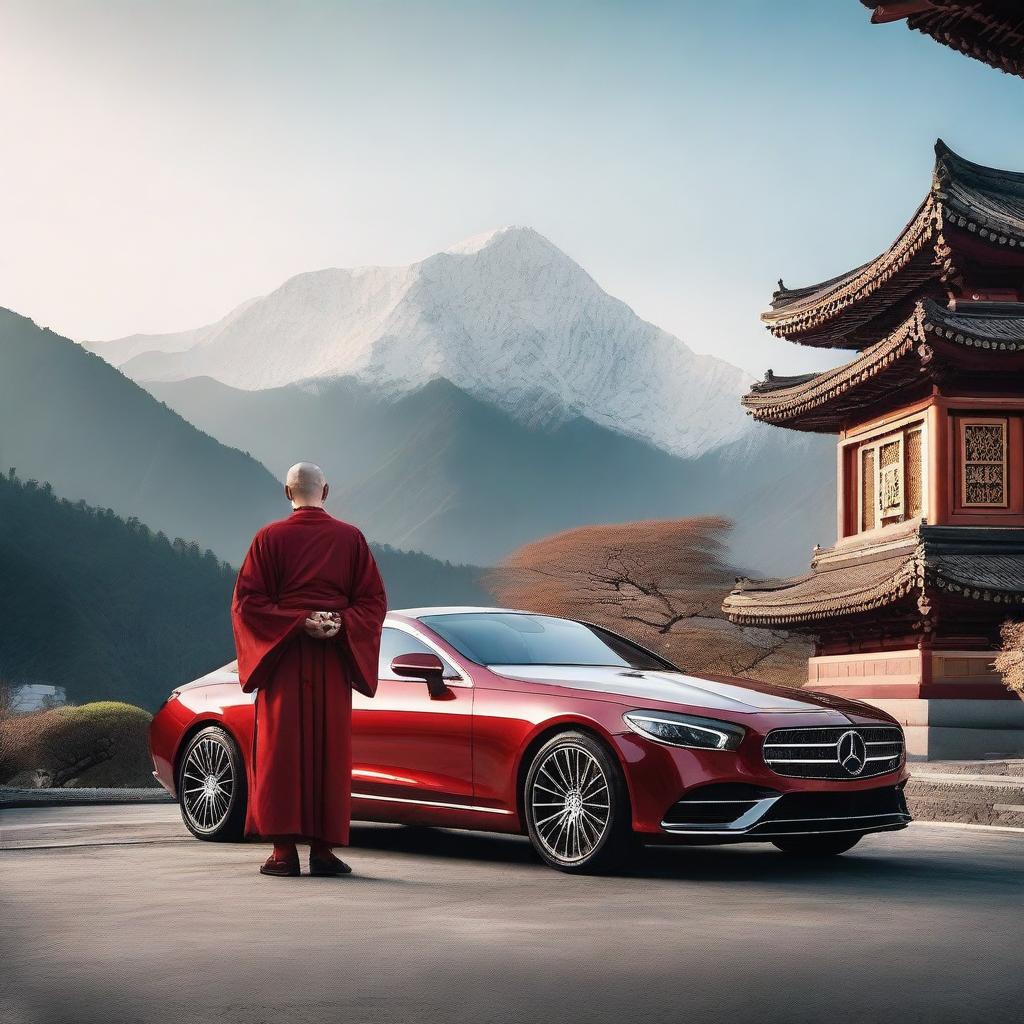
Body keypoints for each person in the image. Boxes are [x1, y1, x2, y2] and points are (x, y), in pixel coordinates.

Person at [231, 462, 387, 877]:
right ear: (327, 491)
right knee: (329, 751)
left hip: (284, 658)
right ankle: (323, 851)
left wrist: (296, 620)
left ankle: (283, 853)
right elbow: (373, 602)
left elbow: (247, 603)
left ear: (287, 493)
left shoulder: (268, 539)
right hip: (333, 661)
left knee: (282, 751)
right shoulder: (350, 539)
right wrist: (341, 623)